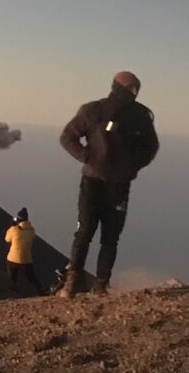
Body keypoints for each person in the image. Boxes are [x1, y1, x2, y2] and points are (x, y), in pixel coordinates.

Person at [59, 71, 159, 296]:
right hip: (96, 182)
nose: (133, 92)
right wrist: (88, 158)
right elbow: (68, 137)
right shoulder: (95, 110)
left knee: (108, 236)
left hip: (115, 184)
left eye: (136, 89)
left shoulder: (140, 115)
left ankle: (98, 284)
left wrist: (131, 166)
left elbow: (151, 146)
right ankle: (75, 282)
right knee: (87, 232)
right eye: (131, 88)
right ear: (118, 87)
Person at [4, 208, 46, 295]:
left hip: (13, 259)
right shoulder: (32, 231)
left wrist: (12, 226)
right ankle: (42, 293)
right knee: (32, 278)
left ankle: (10, 295)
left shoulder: (14, 230)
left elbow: (7, 239)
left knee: (12, 279)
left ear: (18, 219)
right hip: (26, 259)